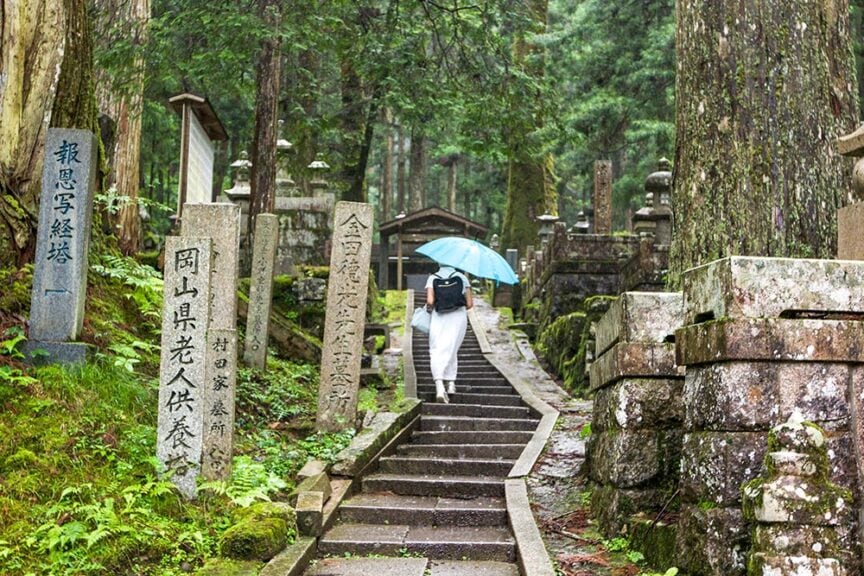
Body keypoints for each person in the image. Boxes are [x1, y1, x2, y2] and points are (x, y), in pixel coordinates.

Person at [425, 265, 473, 403]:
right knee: (452, 349)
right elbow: (469, 304)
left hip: (439, 317)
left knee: (437, 349)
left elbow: (430, 301)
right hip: (458, 317)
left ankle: (439, 385)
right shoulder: (462, 277)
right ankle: (451, 384)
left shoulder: (433, 278)